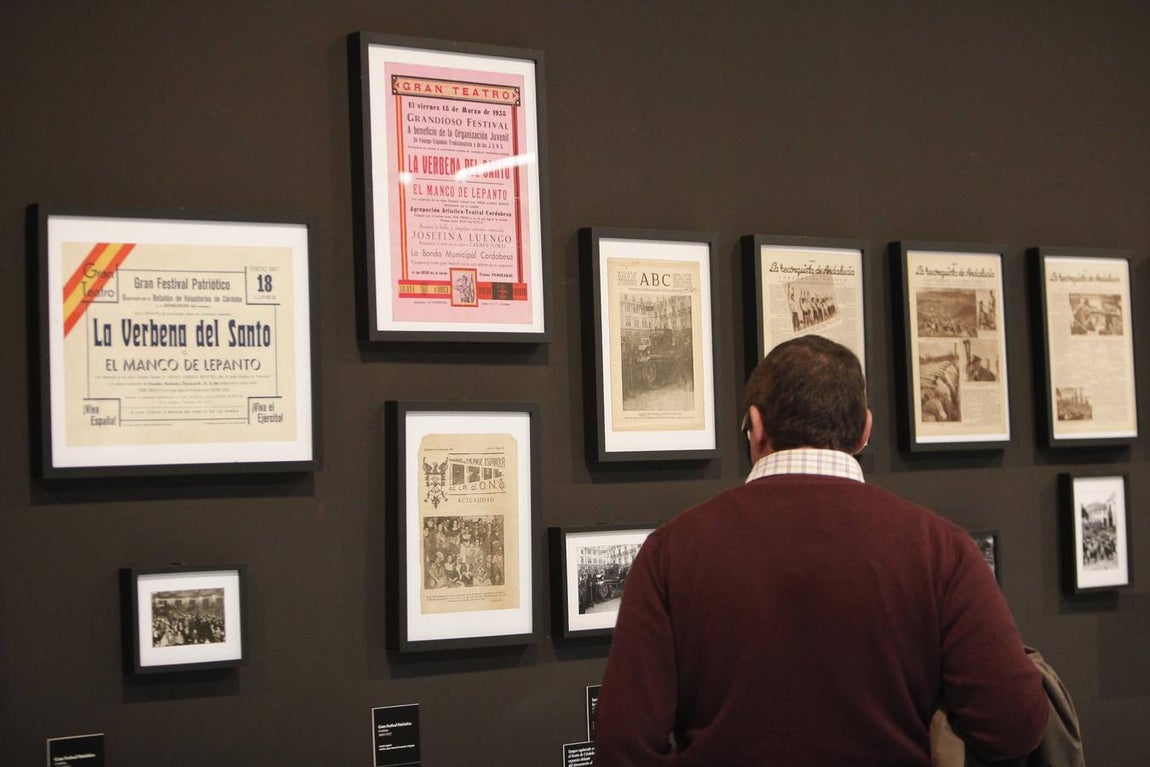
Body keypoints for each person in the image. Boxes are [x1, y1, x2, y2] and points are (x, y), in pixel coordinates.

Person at [593, 336, 1048, 766]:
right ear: (865, 430)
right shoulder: (942, 549)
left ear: (754, 426)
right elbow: (1013, 724)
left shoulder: (671, 550)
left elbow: (624, 746)